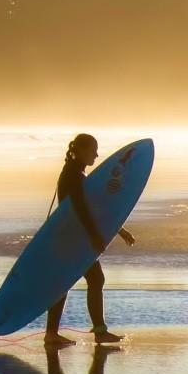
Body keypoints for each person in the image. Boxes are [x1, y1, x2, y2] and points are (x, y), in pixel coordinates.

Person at [44, 132, 134, 348]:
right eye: (93, 150)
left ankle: (53, 334)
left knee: (73, 282)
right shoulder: (74, 176)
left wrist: (119, 230)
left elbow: (93, 208)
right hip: (74, 237)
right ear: (82, 151)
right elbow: (81, 210)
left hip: (71, 236)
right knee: (92, 279)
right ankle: (96, 332)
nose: (96, 154)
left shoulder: (74, 173)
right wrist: (94, 235)